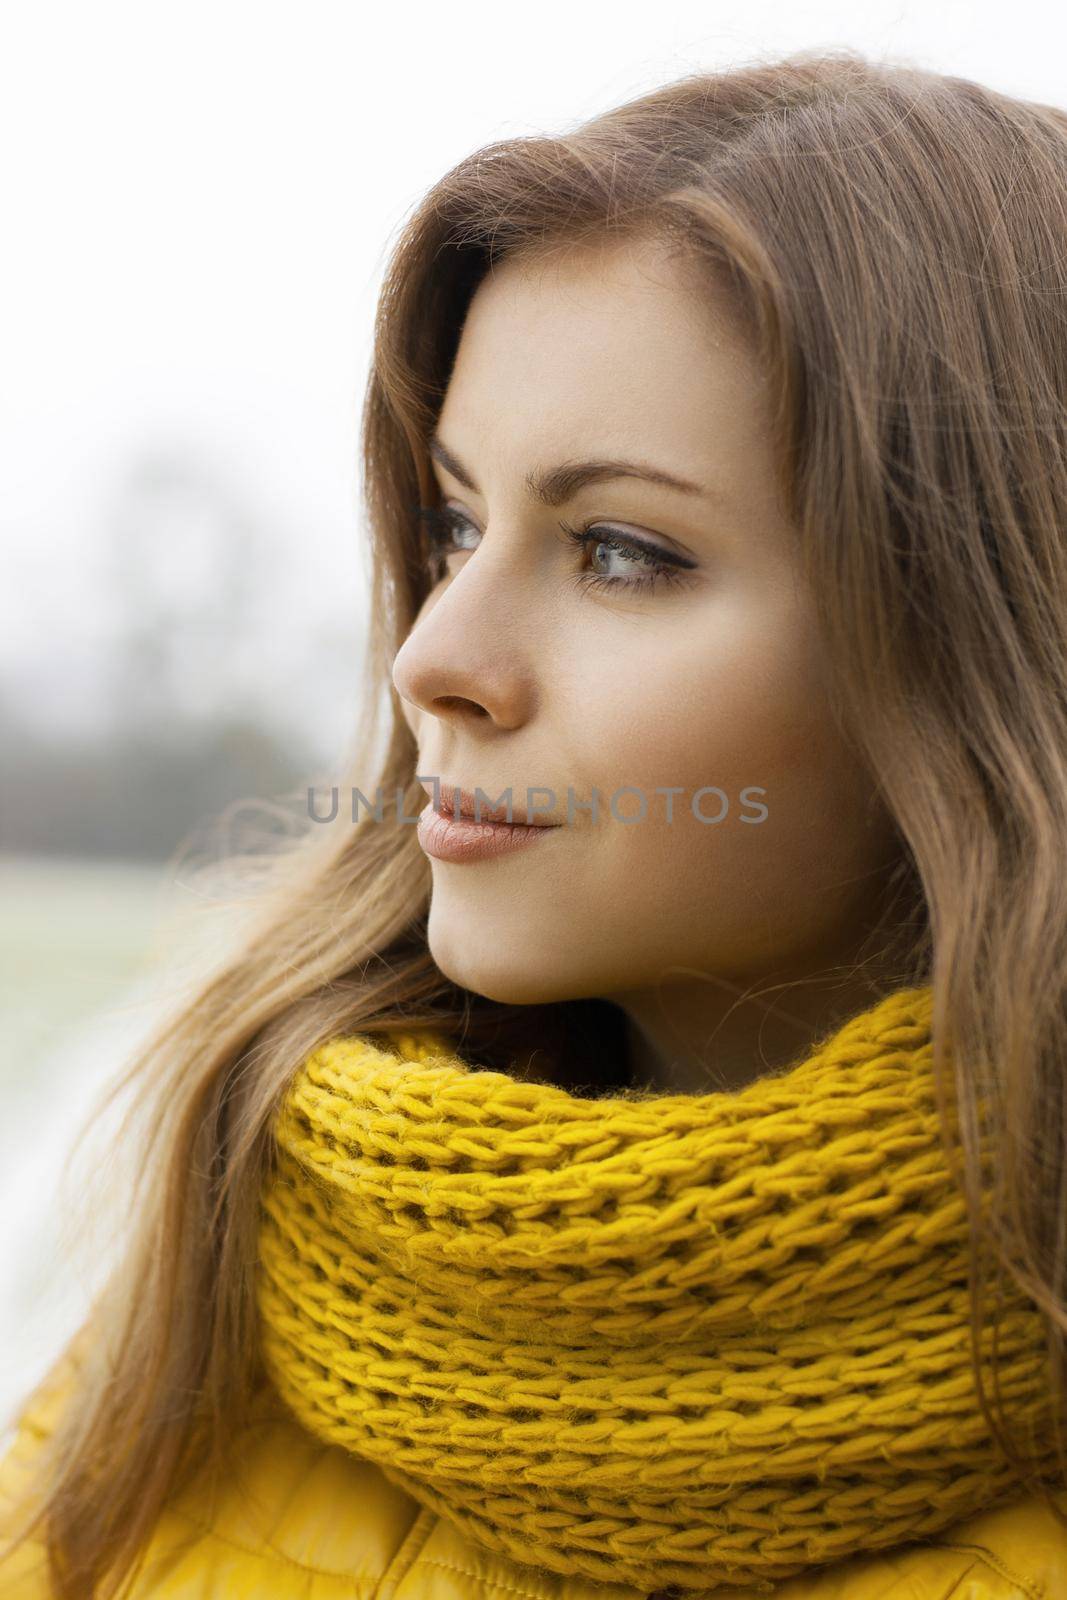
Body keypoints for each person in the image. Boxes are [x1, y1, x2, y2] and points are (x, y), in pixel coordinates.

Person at [3, 44, 1067, 1600]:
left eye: (623, 552)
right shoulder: (213, 1263)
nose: (433, 657)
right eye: (451, 522)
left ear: (987, 646)